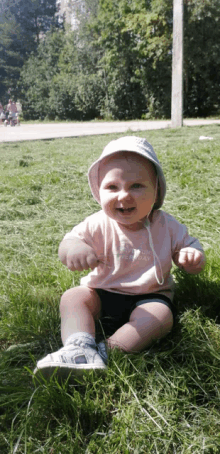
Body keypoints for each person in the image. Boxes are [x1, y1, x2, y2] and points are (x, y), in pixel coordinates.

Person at [34, 136, 205, 380]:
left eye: (136, 186)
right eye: (112, 187)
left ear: (156, 191)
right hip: (101, 293)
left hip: (149, 297)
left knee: (161, 317)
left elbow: (188, 246)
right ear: (98, 191)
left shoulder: (166, 225)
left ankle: (106, 352)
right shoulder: (97, 223)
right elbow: (68, 242)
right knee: (73, 297)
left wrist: (191, 256)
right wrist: (73, 250)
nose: (123, 196)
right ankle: (78, 346)